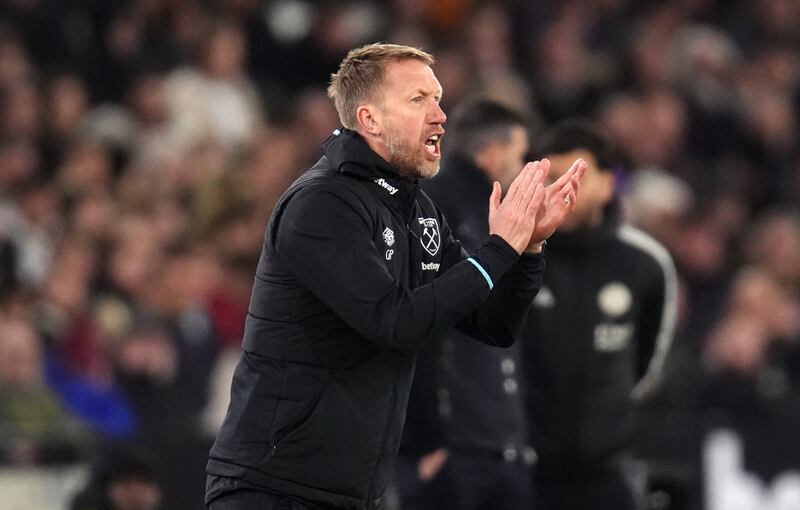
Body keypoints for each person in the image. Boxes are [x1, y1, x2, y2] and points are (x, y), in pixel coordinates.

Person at [205, 43, 586, 510]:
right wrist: (498, 248)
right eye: (419, 100)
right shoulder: (322, 204)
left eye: (439, 98)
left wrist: (527, 250)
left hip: (353, 493)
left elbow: (493, 324)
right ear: (369, 120)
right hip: (274, 487)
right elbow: (395, 323)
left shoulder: (417, 208)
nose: (441, 115)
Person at [522, 120, 678, 510]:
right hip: (525, 471)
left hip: (606, 472)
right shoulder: (517, 255)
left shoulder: (646, 264)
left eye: (576, 176)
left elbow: (645, 361)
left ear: (609, 184)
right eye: (552, 177)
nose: (561, 189)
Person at [396, 97, 538, 510]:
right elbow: (415, 318)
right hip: (457, 447)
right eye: (519, 155)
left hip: (498, 443)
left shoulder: (498, 213)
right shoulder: (432, 203)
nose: (522, 167)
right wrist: (425, 442)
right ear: (492, 154)